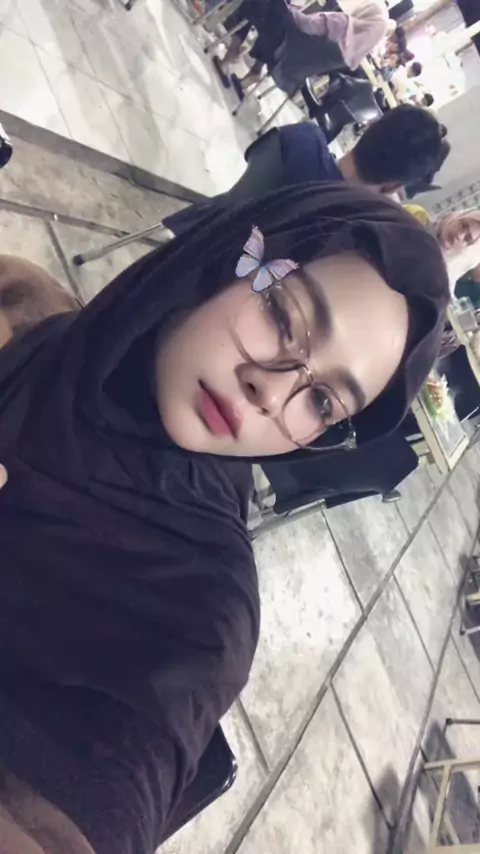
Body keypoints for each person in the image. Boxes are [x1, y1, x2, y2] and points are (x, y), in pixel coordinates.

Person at [0, 183, 449, 854]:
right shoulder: (24, 307)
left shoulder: (199, 614)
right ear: (223, 256)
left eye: (322, 401)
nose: (273, 390)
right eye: (283, 315)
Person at [163, 104, 449, 235]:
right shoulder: (345, 227)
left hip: (194, 228)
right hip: (214, 297)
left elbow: (252, 155)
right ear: (393, 187)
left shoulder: (300, 138)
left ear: (368, 128)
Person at [214, 0, 390, 93]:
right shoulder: (349, 55)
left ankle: (232, 52)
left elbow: (303, 24)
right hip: (291, 64)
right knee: (274, 18)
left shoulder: (341, 23)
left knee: (259, 4)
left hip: (282, 42)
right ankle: (254, 72)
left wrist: (290, 8)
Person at [405, 205, 480, 291]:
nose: (459, 235)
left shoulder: (439, 282)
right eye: (463, 225)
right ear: (456, 216)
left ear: (466, 247)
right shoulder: (416, 215)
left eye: (467, 239)